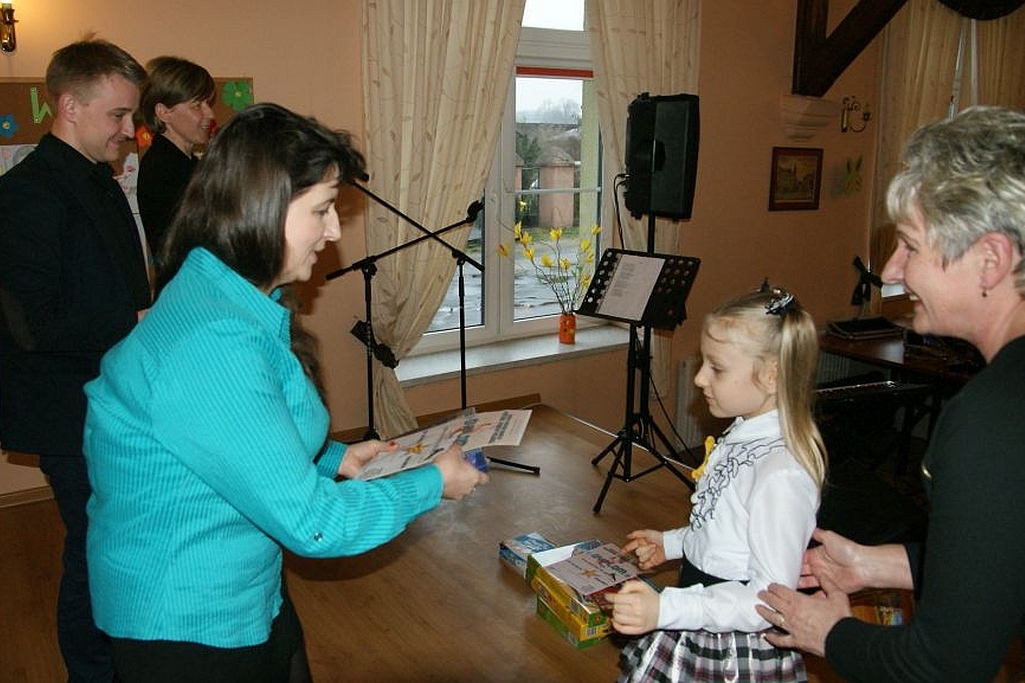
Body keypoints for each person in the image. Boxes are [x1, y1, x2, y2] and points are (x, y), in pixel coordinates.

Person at [82, 102, 489, 683]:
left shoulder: (229, 294)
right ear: (262, 206)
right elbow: (314, 524)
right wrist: (432, 483)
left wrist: (337, 457)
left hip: (243, 590)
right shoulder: (213, 342)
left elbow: (237, 442)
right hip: (184, 617)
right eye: (322, 210)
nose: (333, 230)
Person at [757, 105, 1025, 682]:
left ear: (991, 260)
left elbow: (942, 668)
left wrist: (826, 632)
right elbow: (1006, 558)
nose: (894, 272)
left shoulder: (991, 421)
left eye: (909, 246)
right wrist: (878, 563)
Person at [0, 39, 150, 683]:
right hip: (68, 408)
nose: (129, 131)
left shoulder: (97, 178)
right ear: (67, 105)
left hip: (110, 397)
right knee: (93, 555)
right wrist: (135, 321)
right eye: (118, 116)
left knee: (113, 549)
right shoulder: (26, 195)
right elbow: (34, 324)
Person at [607, 286, 827, 682]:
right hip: (700, 608)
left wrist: (667, 609)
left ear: (772, 374)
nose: (700, 377)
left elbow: (767, 600)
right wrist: (672, 543)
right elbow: (723, 528)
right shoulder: (743, 433)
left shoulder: (781, 473)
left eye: (717, 367)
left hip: (732, 646)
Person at [136, 55, 216, 255]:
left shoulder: (188, 163)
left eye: (208, 103)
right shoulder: (161, 169)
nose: (210, 114)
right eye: (197, 105)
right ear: (163, 113)